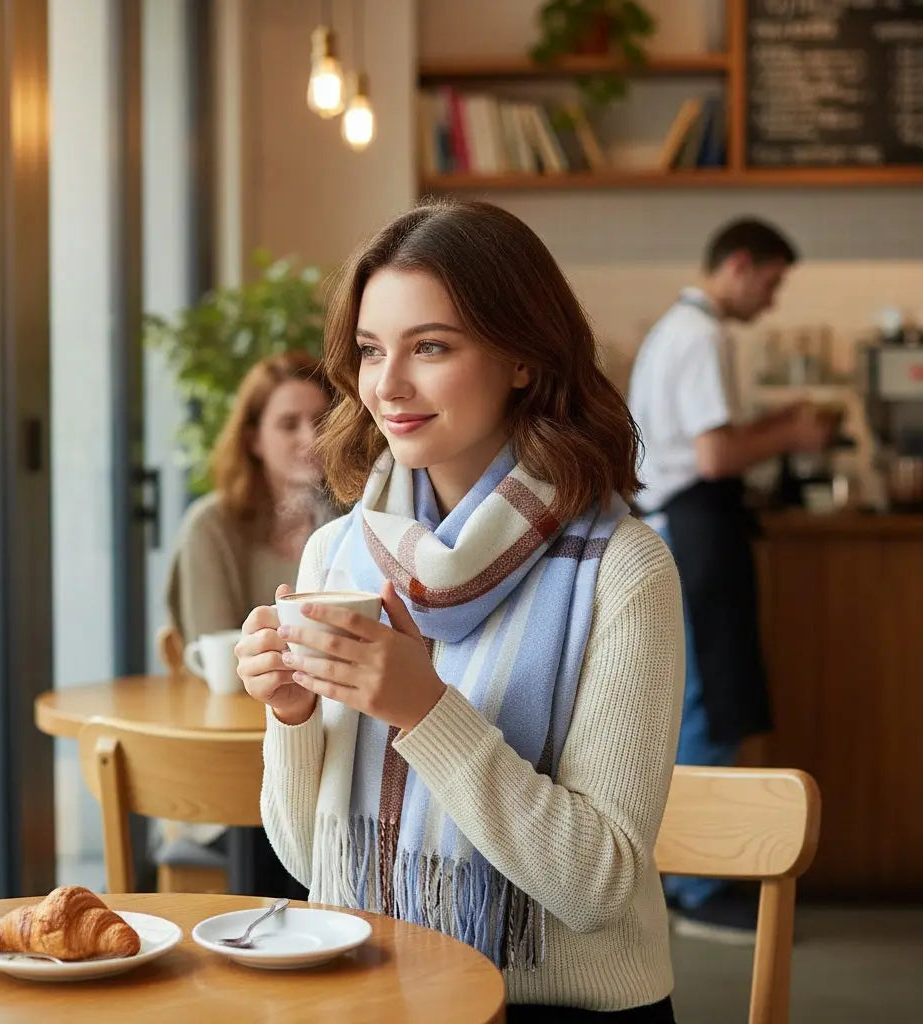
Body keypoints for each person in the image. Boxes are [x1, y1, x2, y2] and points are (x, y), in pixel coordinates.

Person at [237, 199, 685, 1022]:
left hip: (556, 1007)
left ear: (522, 357)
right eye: (372, 351)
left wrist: (426, 710)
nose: (389, 385)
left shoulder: (623, 570)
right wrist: (292, 716)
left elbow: (597, 889)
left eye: (431, 347)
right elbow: (311, 863)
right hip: (377, 987)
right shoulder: (338, 556)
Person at [627, 218, 834, 944]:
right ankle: (696, 885)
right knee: (706, 702)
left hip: (686, 528)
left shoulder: (682, 330)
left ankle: (690, 876)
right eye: (772, 283)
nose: (772, 302)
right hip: (692, 531)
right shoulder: (700, 333)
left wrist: (770, 422)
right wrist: (795, 434)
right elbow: (714, 456)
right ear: (740, 266)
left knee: (698, 698)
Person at [164, 349, 334, 899]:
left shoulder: (357, 523)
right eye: (288, 423)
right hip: (235, 775)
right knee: (294, 838)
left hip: (331, 756)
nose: (309, 435)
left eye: (322, 420)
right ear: (254, 439)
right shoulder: (213, 526)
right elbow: (221, 658)